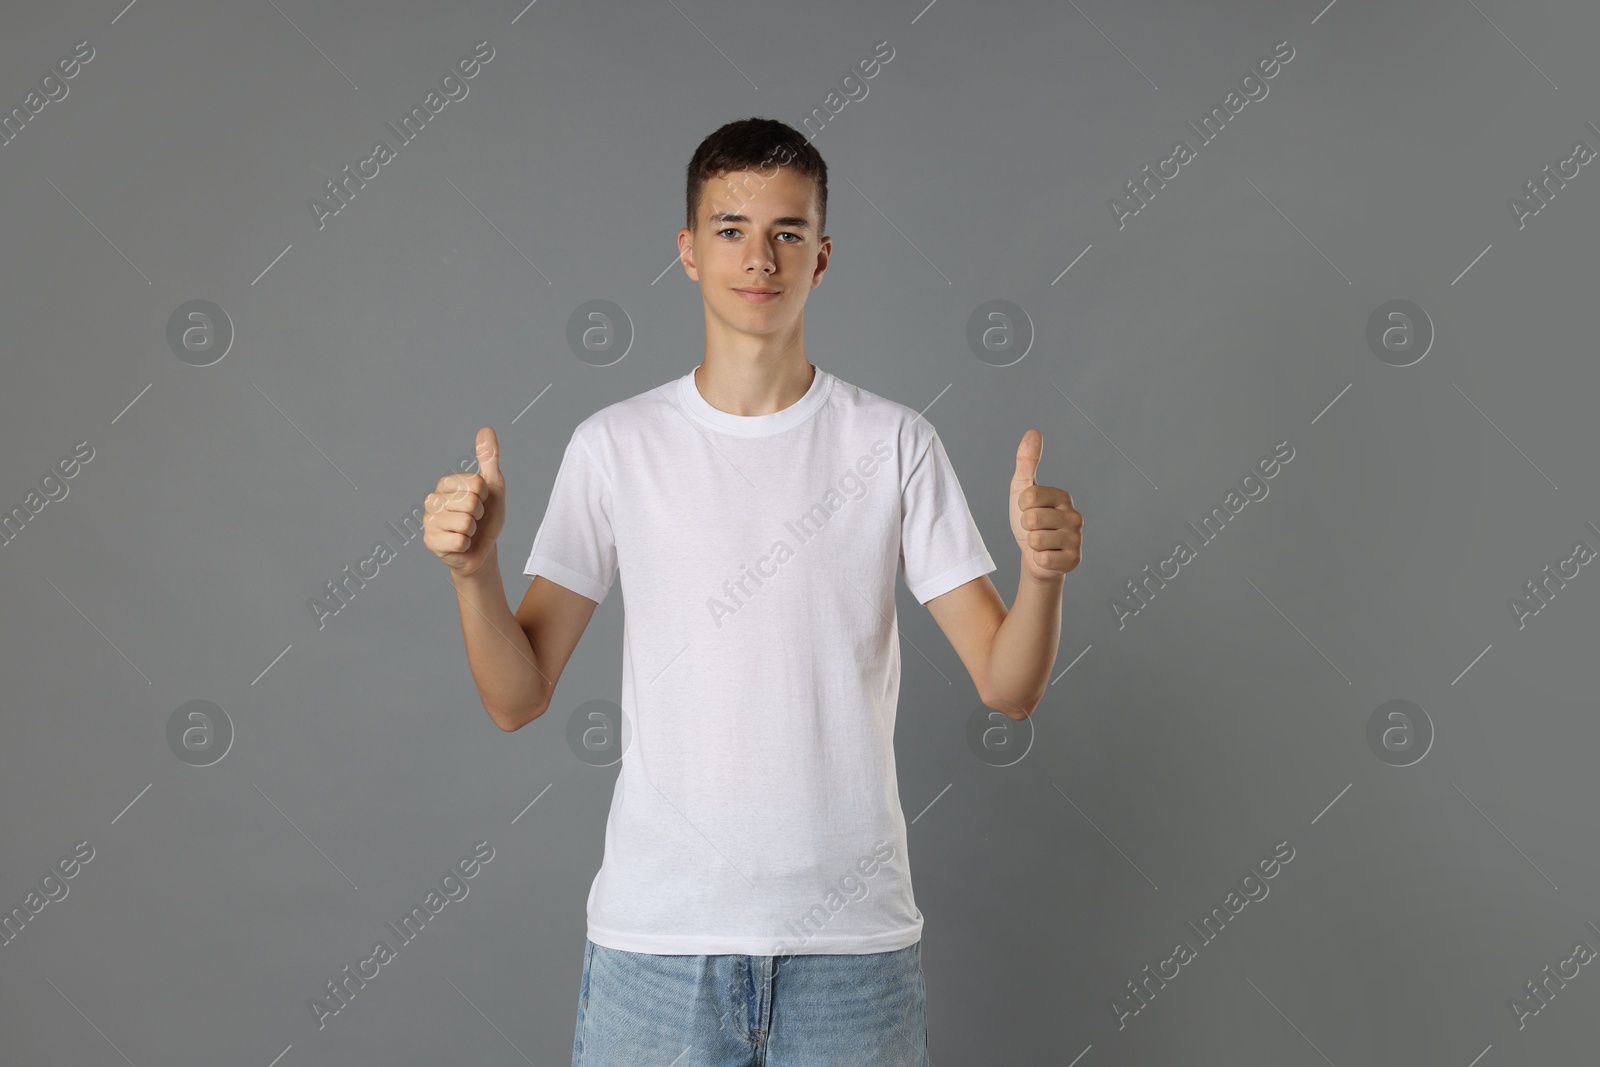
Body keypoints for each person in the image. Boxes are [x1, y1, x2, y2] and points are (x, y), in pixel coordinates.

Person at [423, 116, 1083, 1066]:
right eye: (731, 229)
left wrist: (1043, 577)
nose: (759, 257)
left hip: (852, 957)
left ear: (823, 253)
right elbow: (515, 696)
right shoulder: (615, 446)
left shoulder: (894, 443)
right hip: (657, 953)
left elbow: (1007, 684)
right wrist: (473, 572)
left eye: (786, 230)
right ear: (688, 252)